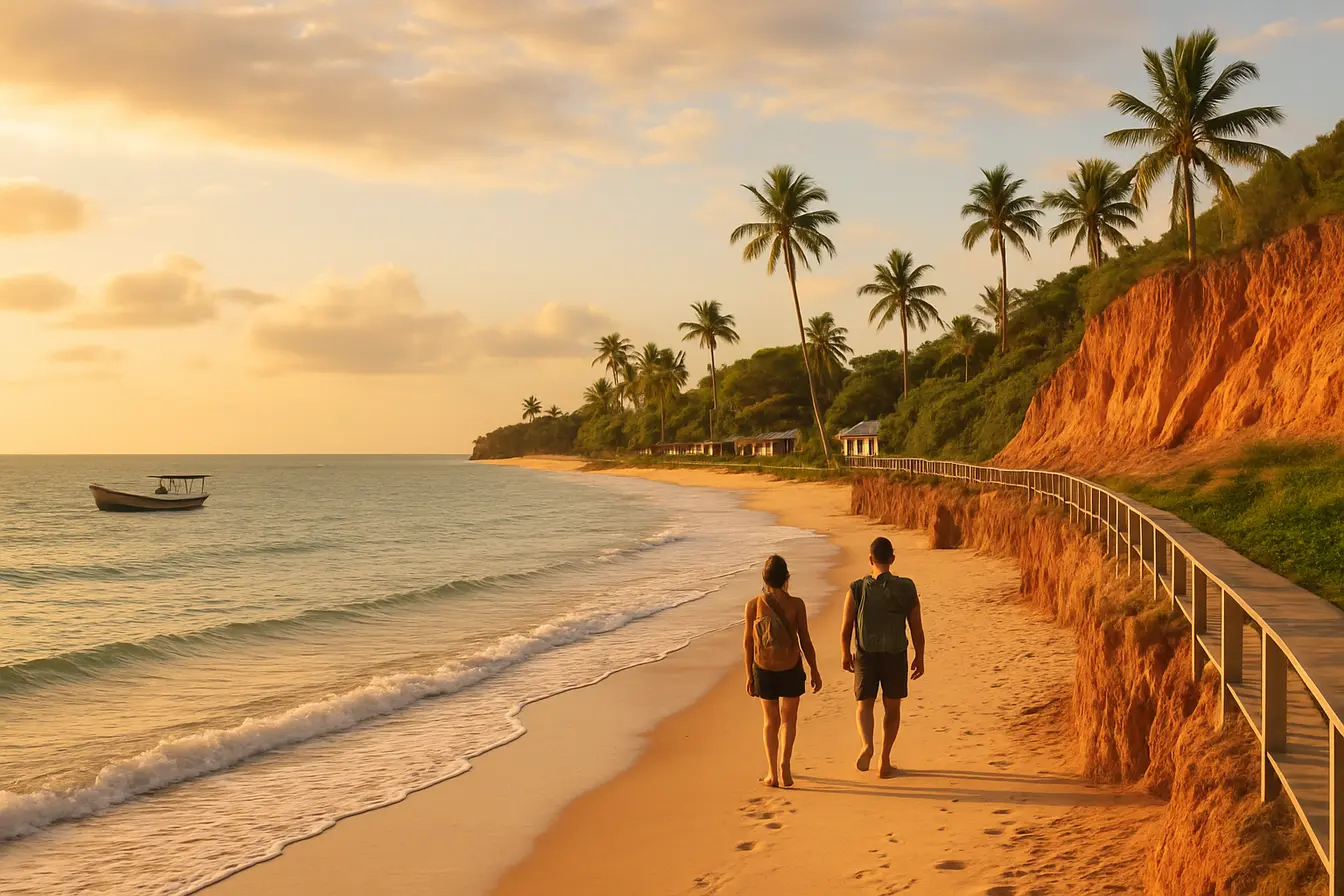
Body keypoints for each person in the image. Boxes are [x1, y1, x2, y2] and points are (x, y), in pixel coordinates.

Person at [841, 536, 925, 778]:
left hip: (866, 655)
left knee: (864, 704)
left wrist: (845, 652)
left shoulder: (857, 588)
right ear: (892, 559)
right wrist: (919, 656)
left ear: (870, 560)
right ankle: (885, 759)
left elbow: (846, 626)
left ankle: (867, 744)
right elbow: (916, 627)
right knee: (892, 707)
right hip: (895, 654)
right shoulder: (907, 587)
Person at [744, 554, 822, 788]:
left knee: (770, 721)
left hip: (763, 667)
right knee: (789, 719)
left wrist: (749, 674)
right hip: (790, 666)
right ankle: (785, 765)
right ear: (787, 578)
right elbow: (805, 640)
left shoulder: (753, 605)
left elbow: (748, 642)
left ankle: (772, 774)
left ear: (763, 578)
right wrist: (814, 670)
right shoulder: (797, 604)